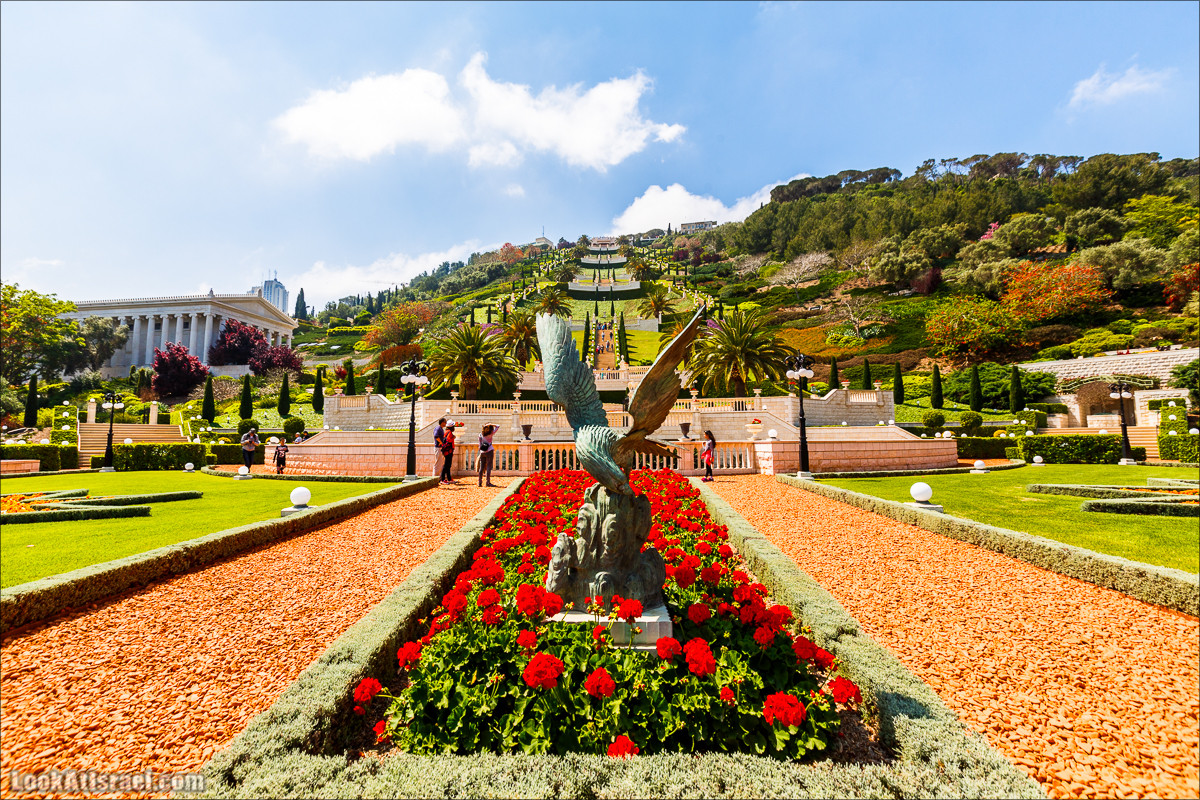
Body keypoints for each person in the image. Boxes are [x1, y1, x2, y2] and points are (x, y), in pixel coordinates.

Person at [439, 420, 457, 484]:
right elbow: (449, 440)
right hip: (448, 451)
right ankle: (442, 479)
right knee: (446, 465)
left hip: (447, 451)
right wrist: (453, 438)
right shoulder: (449, 432)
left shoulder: (446, 431)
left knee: (448, 465)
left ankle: (449, 479)